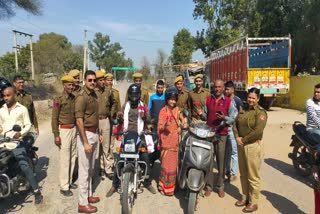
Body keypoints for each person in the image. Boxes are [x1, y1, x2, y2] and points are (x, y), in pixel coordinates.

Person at [106, 84, 157, 197]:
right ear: (129, 95)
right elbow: (119, 120)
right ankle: (115, 184)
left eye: (136, 94)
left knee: (145, 158)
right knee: (119, 159)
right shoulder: (125, 106)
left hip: (140, 135)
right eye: (132, 94)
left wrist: (144, 117)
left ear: (139, 95)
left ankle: (147, 183)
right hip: (127, 135)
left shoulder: (143, 106)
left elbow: (148, 120)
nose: (134, 96)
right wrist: (118, 118)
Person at [0, 87, 43, 204]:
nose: (5, 98)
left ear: (14, 95)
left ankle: (36, 191)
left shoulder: (22, 109)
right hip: (3, 142)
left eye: (8, 95)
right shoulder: (1, 110)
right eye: (4, 96)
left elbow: (28, 125)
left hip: (16, 143)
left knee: (24, 165)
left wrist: (20, 133)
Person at [199, 79, 237, 198]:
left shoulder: (229, 102)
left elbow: (233, 118)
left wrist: (224, 118)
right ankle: (209, 186)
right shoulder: (208, 100)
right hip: (209, 134)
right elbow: (205, 116)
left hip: (222, 135)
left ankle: (220, 186)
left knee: (221, 161)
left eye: (219, 87)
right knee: (209, 161)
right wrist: (201, 114)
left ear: (223, 87)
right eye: (215, 87)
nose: (217, 89)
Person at [233, 87, 267, 213]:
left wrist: (244, 140)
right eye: (249, 97)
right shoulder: (243, 109)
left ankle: (254, 202)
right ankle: (245, 197)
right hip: (241, 144)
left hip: (252, 145)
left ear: (258, 99)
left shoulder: (261, 113)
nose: (251, 100)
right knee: (243, 174)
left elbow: (258, 131)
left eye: (253, 98)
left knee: (253, 176)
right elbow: (234, 124)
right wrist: (236, 137)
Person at [75, 70, 102, 213]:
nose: (92, 82)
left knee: (91, 168)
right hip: (86, 135)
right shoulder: (81, 97)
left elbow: (95, 116)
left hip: (94, 133)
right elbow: (79, 120)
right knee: (84, 171)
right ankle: (82, 203)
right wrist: (85, 142)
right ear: (84, 80)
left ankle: (89, 195)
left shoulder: (95, 94)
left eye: (94, 80)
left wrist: (99, 133)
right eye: (89, 80)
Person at [51, 75, 78, 197]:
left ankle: (70, 180)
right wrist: (56, 135)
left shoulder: (74, 97)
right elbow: (54, 117)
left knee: (73, 157)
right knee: (65, 159)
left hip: (73, 129)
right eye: (69, 84)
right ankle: (64, 186)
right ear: (64, 85)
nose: (71, 86)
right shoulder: (58, 99)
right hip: (64, 130)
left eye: (72, 84)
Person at [157, 87, 184, 196]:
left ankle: (172, 187)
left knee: (173, 166)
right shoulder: (163, 111)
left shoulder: (178, 110)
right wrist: (165, 125)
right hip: (166, 143)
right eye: (171, 99)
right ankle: (163, 187)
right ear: (167, 99)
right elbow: (159, 128)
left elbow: (183, 120)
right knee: (165, 166)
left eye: (174, 99)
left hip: (175, 142)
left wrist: (182, 124)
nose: (173, 101)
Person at [95, 70, 114, 179]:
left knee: (106, 146)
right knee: (98, 146)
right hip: (96, 121)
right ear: (97, 81)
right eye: (101, 80)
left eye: (103, 80)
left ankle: (108, 169)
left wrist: (110, 114)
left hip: (106, 120)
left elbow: (113, 103)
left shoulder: (108, 92)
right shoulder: (93, 92)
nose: (103, 82)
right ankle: (101, 167)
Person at [224, 80, 242, 182]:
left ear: (232, 89)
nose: (226, 91)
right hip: (225, 128)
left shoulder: (237, 100)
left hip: (234, 129)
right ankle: (227, 170)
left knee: (234, 151)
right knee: (227, 151)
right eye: (225, 89)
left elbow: (240, 114)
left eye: (228, 89)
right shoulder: (224, 99)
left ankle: (233, 172)